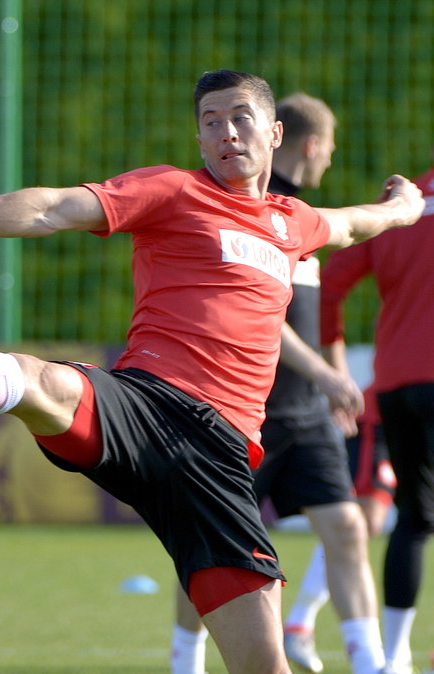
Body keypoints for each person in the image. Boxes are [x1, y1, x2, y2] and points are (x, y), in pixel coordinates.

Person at [0, 70, 424, 674]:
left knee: (264, 664)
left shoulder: (291, 222)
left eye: (240, 118)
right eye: (211, 122)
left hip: (222, 460)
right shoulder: (172, 191)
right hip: (148, 404)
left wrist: (403, 208)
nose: (226, 132)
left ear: (275, 133)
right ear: (199, 139)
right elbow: (51, 208)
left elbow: (355, 223)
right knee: (46, 384)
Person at [168, 92, 385, 674]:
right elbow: (259, 317)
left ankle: (374, 665)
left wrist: (330, 374)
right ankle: (183, 660)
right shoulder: (252, 208)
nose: (331, 160)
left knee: (346, 526)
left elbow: (315, 312)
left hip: (306, 410)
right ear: (308, 144)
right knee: (213, 548)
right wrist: (322, 371)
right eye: (331, 149)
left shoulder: (301, 215)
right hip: (245, 409)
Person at [321, 149, 434, 674]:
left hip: (394, 383)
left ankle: (396, 657)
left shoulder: (402, 202)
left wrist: (336, 363)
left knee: (412, 518)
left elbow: (328, 282)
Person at [281, 385, 398, 672]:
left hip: (414, 416)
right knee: (360, 521)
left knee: (366, 526)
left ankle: (299, 625)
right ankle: (300, 625)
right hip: (381, 412)